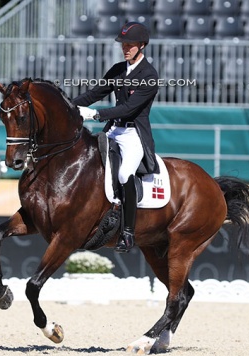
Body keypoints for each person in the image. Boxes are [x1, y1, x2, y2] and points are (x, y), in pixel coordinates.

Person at [72, 21, 159, 253]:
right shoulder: (118, 69)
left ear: (142, 45)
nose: (125, 48)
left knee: (123, 173)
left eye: (130, 44)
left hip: (133, 134)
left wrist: (96, 114)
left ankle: (128, 232)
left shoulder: (149, 75)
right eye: (123, 44)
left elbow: (129, 109)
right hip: (113, 130)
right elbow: (94, 93)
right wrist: (67, 106)